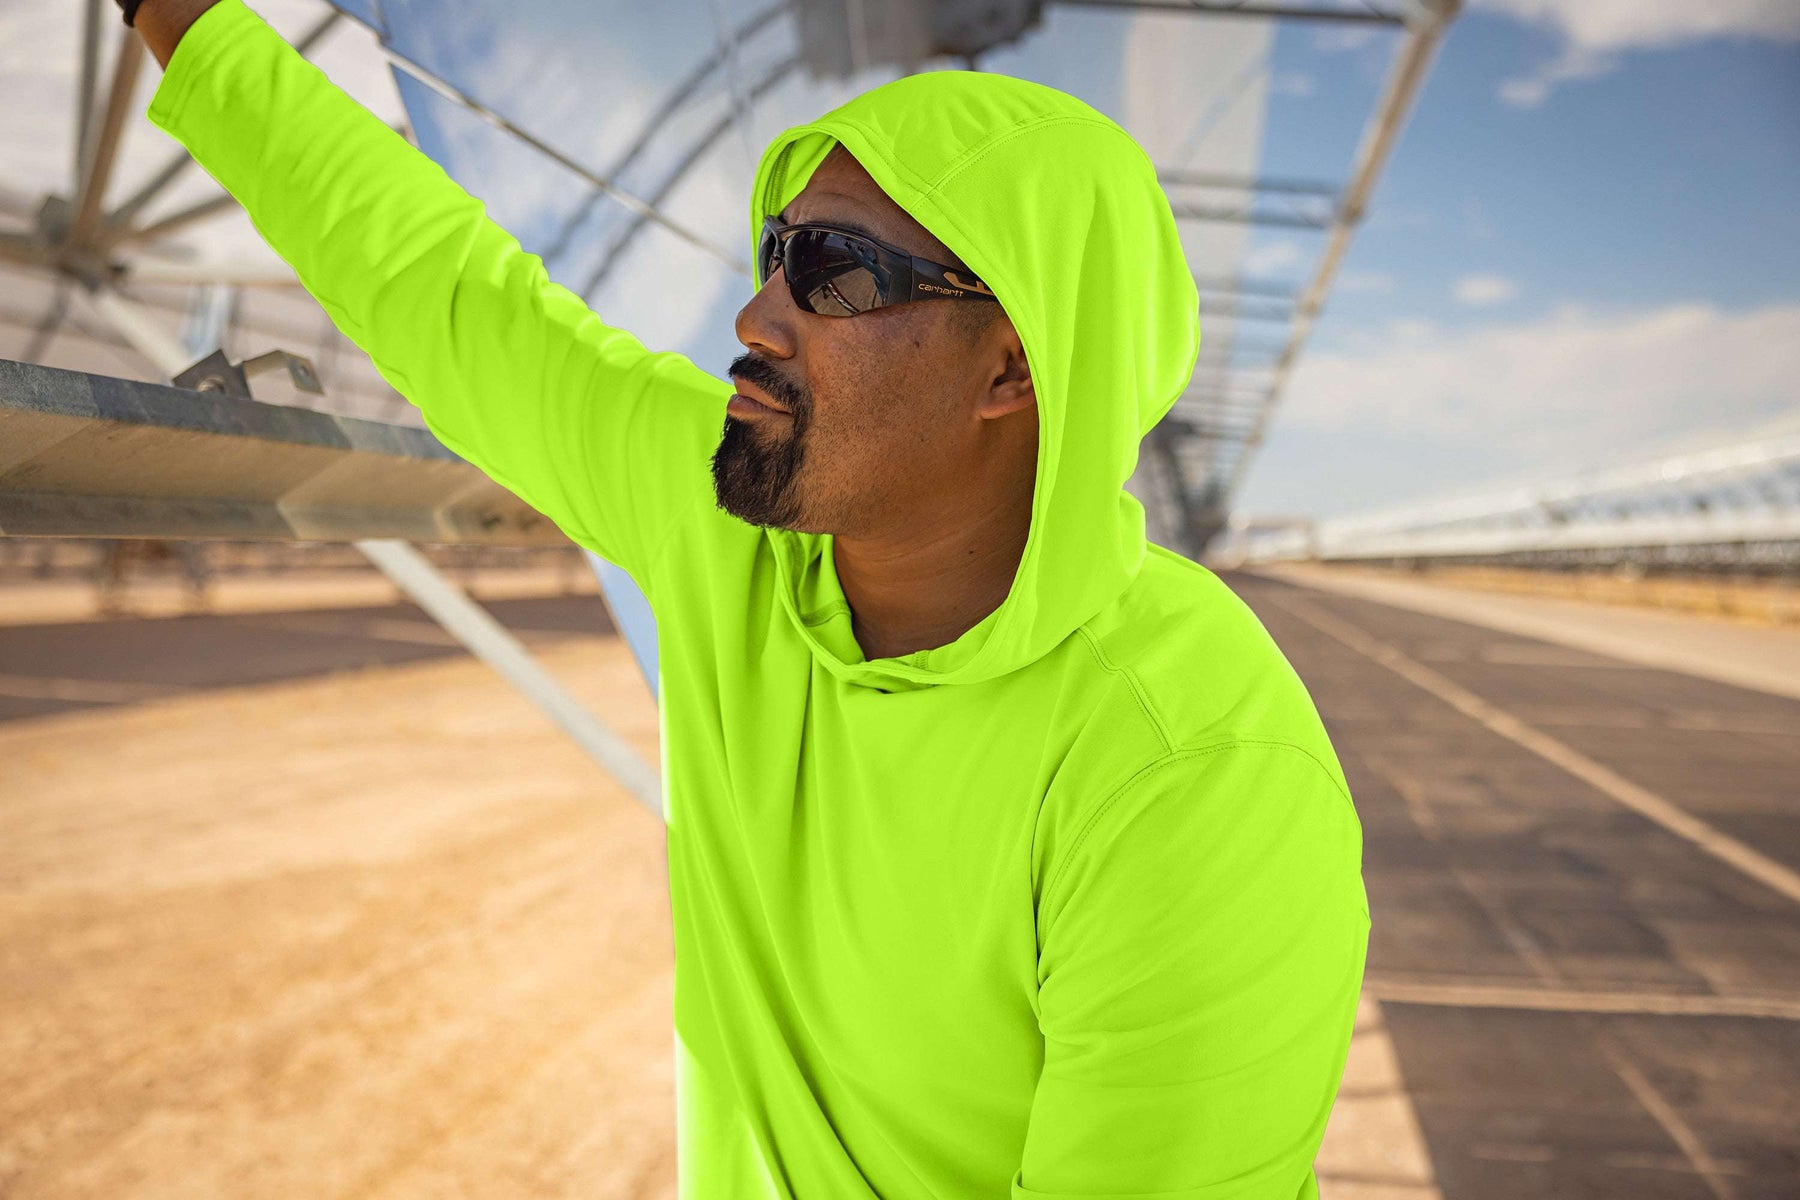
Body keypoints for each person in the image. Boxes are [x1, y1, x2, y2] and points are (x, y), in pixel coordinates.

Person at [128, 2, 1371, 1196]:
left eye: (833, 273)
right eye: (774, 253)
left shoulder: (1189, 767)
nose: (756, 319)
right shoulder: (738, 537)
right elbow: (444, 289)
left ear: (1011, 367)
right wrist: (178, 16)